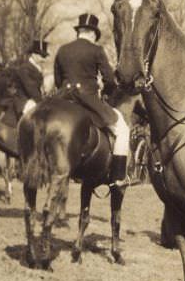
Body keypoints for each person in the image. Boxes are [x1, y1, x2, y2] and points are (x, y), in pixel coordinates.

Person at [54, 13, 130, 184]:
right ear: (93, 33)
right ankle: (118, 177)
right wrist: (108, 93)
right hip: (87, 98)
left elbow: (58, 80)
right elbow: (109, 79)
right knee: (122, 129)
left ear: (79, 31)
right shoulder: (96, 50)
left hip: (63, 97)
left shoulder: (63, 50)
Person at [10, 40, 47, 122]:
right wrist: (42, 102)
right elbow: (31, 88)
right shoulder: (24, 68)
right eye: (42, 56)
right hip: (24, 100)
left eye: (44, 56)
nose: (43, 59)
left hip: (34, 98)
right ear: (34, 55)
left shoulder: (38, 68)